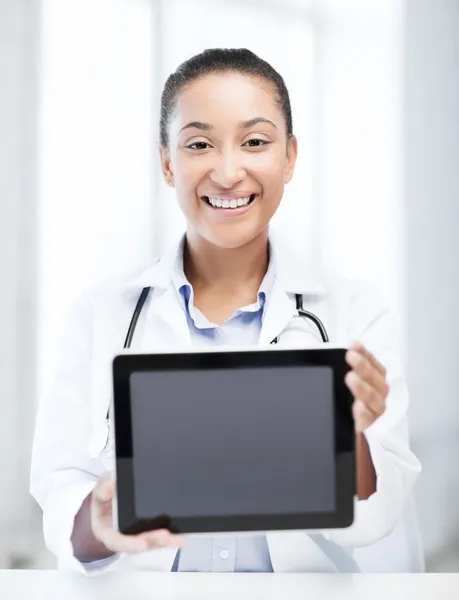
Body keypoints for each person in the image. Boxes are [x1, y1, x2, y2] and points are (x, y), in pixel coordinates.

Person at [30, 48, 421, 574]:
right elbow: (62, 495)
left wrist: (346, 435)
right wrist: (101, 526)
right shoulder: (97, 315)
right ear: (168, 162)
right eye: (199, 144)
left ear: (289, 157)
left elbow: (379, 518)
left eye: (255, 142)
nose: (229, 171)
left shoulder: (356, 313)